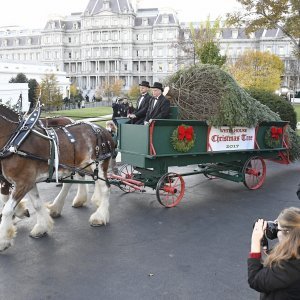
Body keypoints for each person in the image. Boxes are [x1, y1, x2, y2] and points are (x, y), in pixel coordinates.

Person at [248, 207, 300, 300]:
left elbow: (255, 280)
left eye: (277, 227)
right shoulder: (293, 250)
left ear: (287, 232)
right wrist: (264, 245)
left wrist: (255, 242)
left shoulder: (290, 266)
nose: (275, 229)